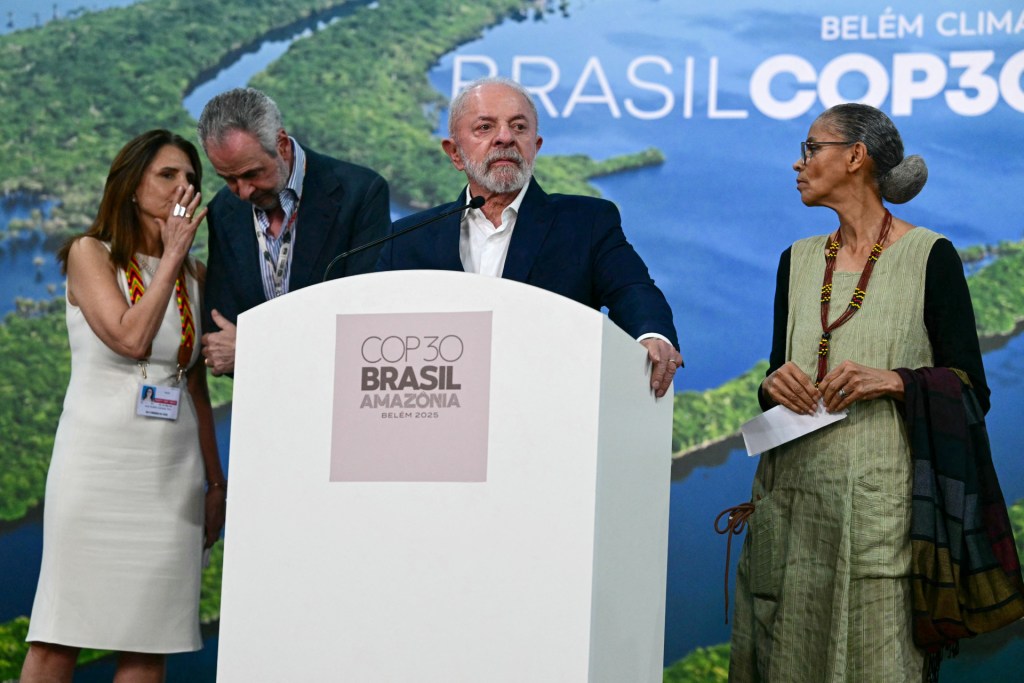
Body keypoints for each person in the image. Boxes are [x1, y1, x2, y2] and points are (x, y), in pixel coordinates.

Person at [727, 104, 989, 681]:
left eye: (811, 148)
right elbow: (776, 380)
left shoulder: (931, 258)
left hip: (881, 524)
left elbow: (971, 390)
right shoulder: (795, 261)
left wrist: (894, 380)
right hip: (793, 512)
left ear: (855, 156)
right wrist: (772, 386)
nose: (798, 164)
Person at [21, 130, 226, 683]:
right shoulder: (90, 255)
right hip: (98, 467)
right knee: (58, 637)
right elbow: (130, 339)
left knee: (146, 641)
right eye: (168, 176)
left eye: (191, 179)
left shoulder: (194, 278)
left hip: (171, 473)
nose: (184, 187)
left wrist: (216, 483)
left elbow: (196, 386)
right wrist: (172, 257)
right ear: (132, 186)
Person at [376, 77, 682, 396]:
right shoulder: (408, 238)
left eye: (519, 127)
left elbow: (631, 289)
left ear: (534, 148)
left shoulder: (585, 222)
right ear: (454, 153)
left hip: (547, 407)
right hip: (438, 415)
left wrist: (653, 336)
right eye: (485, 127)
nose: (505, 138)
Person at [196, 87, 391, 376]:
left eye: (252, 174)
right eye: (228, 179)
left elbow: (364, 323)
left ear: (282, 145)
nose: (243, 191)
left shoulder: (360, 193)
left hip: (338, 396)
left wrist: (254, 350)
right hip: (263, 404)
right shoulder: (223, 209)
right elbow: (220, 336)